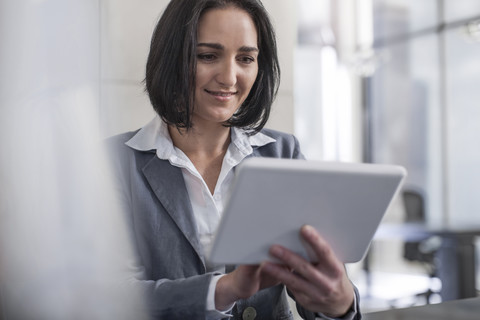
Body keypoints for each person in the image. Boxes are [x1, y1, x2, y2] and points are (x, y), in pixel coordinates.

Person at [107, 0, 361, 319]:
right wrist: (225, 289)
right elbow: (109, 296)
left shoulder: (282, 153)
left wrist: (340, 305)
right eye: (208, 56)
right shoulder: (115, 163)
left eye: (245, 58)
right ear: (172, 57)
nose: (229, 77)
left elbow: (315, 288)